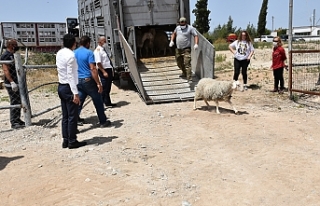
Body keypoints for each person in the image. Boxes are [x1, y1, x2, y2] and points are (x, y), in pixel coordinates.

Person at [56, 34, 87, 149]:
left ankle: (66, 140)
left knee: (65, 116)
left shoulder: (59, 53)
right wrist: (75, 93)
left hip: (61, 86)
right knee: (72, 116)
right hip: (69, 87)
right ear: (74, 43)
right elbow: (70, 75)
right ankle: (72, 141)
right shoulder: (71, 56)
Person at [74, 35, 111, 128]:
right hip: (88, 80)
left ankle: (75, 120)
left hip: (78, 80)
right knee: (97, 100)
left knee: (80, 100)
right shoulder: (89, 53)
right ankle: (103, 121)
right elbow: (93, 68)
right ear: (87, 43)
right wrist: (98, 83)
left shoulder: (74, 53)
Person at [0, 39, 25, 129]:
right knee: (14, 101)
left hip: (16, 81)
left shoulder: (13, 54)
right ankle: (14, 122)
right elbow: (6, 70)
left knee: (18, 100)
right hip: (11, 82)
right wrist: (11, 82)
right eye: (15, 44)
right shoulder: (5, 56)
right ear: (10, 45)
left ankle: (17, 119)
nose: (16, 45)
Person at [169, 17, 199, 83]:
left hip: (186, 49)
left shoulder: (190, 28)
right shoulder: (177, 28)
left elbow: (196, 35)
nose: (182, 25)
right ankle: (184, 73)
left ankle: (189, 78)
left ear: (186, 23)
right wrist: (172, 41)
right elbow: (174, 33)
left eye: (183, 24)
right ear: (179, 23)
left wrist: (196, 44)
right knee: (179, 62)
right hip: (178, 49)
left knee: (187, 63)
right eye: (181, 24)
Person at [94, 36, 117, 107]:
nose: (105, 42)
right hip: (104, 70)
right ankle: (101, 103)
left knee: (108, 87)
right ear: (99, 42)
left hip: (108, 69)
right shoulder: (98, 51)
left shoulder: (103, 49)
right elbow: (98, 63)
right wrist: (103, 72)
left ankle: (107, 102)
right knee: (104, 87)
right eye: (104, 41)